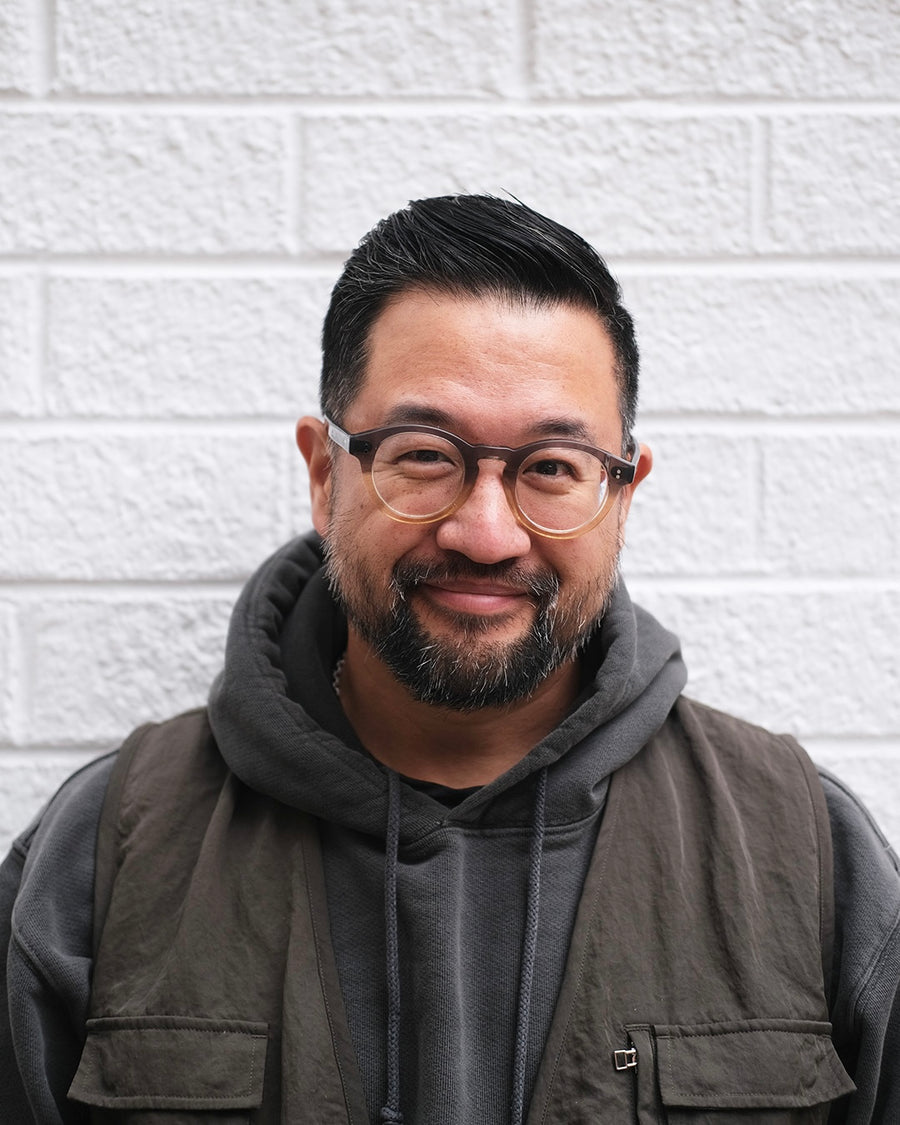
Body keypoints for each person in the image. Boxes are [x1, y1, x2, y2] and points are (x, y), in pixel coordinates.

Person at [1, 194, 898, 1125]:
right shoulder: (104, 853)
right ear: (324, 474)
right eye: (426, 455)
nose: (485, 532)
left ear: (622, 496)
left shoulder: (808, 855)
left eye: (552, 465)